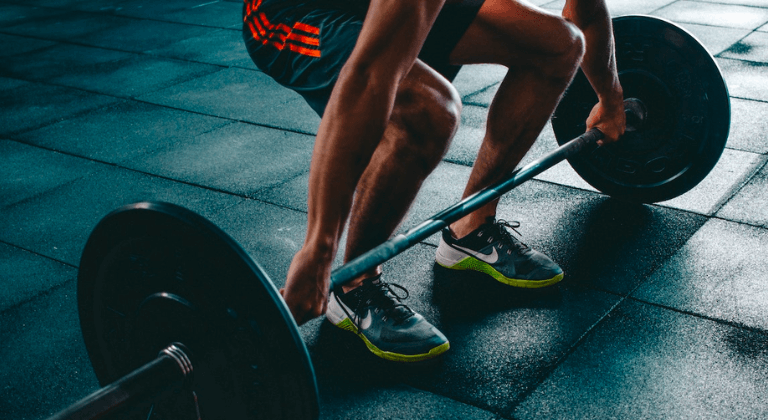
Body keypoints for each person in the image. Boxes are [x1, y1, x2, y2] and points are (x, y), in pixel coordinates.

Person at [243, 0, 626, 362]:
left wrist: (610, 98)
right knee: (429, 109)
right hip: (292, 12)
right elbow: (370, 75)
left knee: (558, 45)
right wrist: (318, 249)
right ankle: (355, 285)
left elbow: (586, 12)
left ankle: (471, 227)